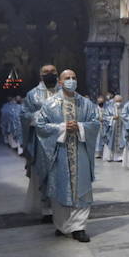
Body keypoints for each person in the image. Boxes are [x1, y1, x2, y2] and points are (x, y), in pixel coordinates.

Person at [34, 69, 101, 243]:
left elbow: (95, 123)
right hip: (60, 153)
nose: (71, 80)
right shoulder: (50, 104)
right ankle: (63, 225)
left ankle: (79, 227)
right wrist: (62, 128)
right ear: (60, 82)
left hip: (80, 151)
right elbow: (40, 126)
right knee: (60, 188)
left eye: (74, 77)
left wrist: (79, 127)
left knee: (82, 190)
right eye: (67, 78)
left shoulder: (86, 103)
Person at [22, 65, 62, 216]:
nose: (50, 74)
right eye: (46, 72)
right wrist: (39, 116)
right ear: (40, 75)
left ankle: (62, 206)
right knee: (43, 174)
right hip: (41, 142)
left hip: (61, 140)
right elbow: (24, 114)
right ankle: (46, 209)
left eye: (53, 72)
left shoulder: (65, 92)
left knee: (61, 174)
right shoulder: (32, 95)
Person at [103, 94, 125, 162]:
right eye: (117, 101)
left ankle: (120, 157)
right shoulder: (109, 108)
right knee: (111, 141)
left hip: (121, 128)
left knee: (121, 141)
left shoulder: (124, 108)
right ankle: (110, 157)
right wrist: (112, 118)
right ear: (114, 101)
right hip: (112, 129)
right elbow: (105, 117)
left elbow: (127, 116)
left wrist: (122, 118)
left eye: (120, 101)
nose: (118, 102)